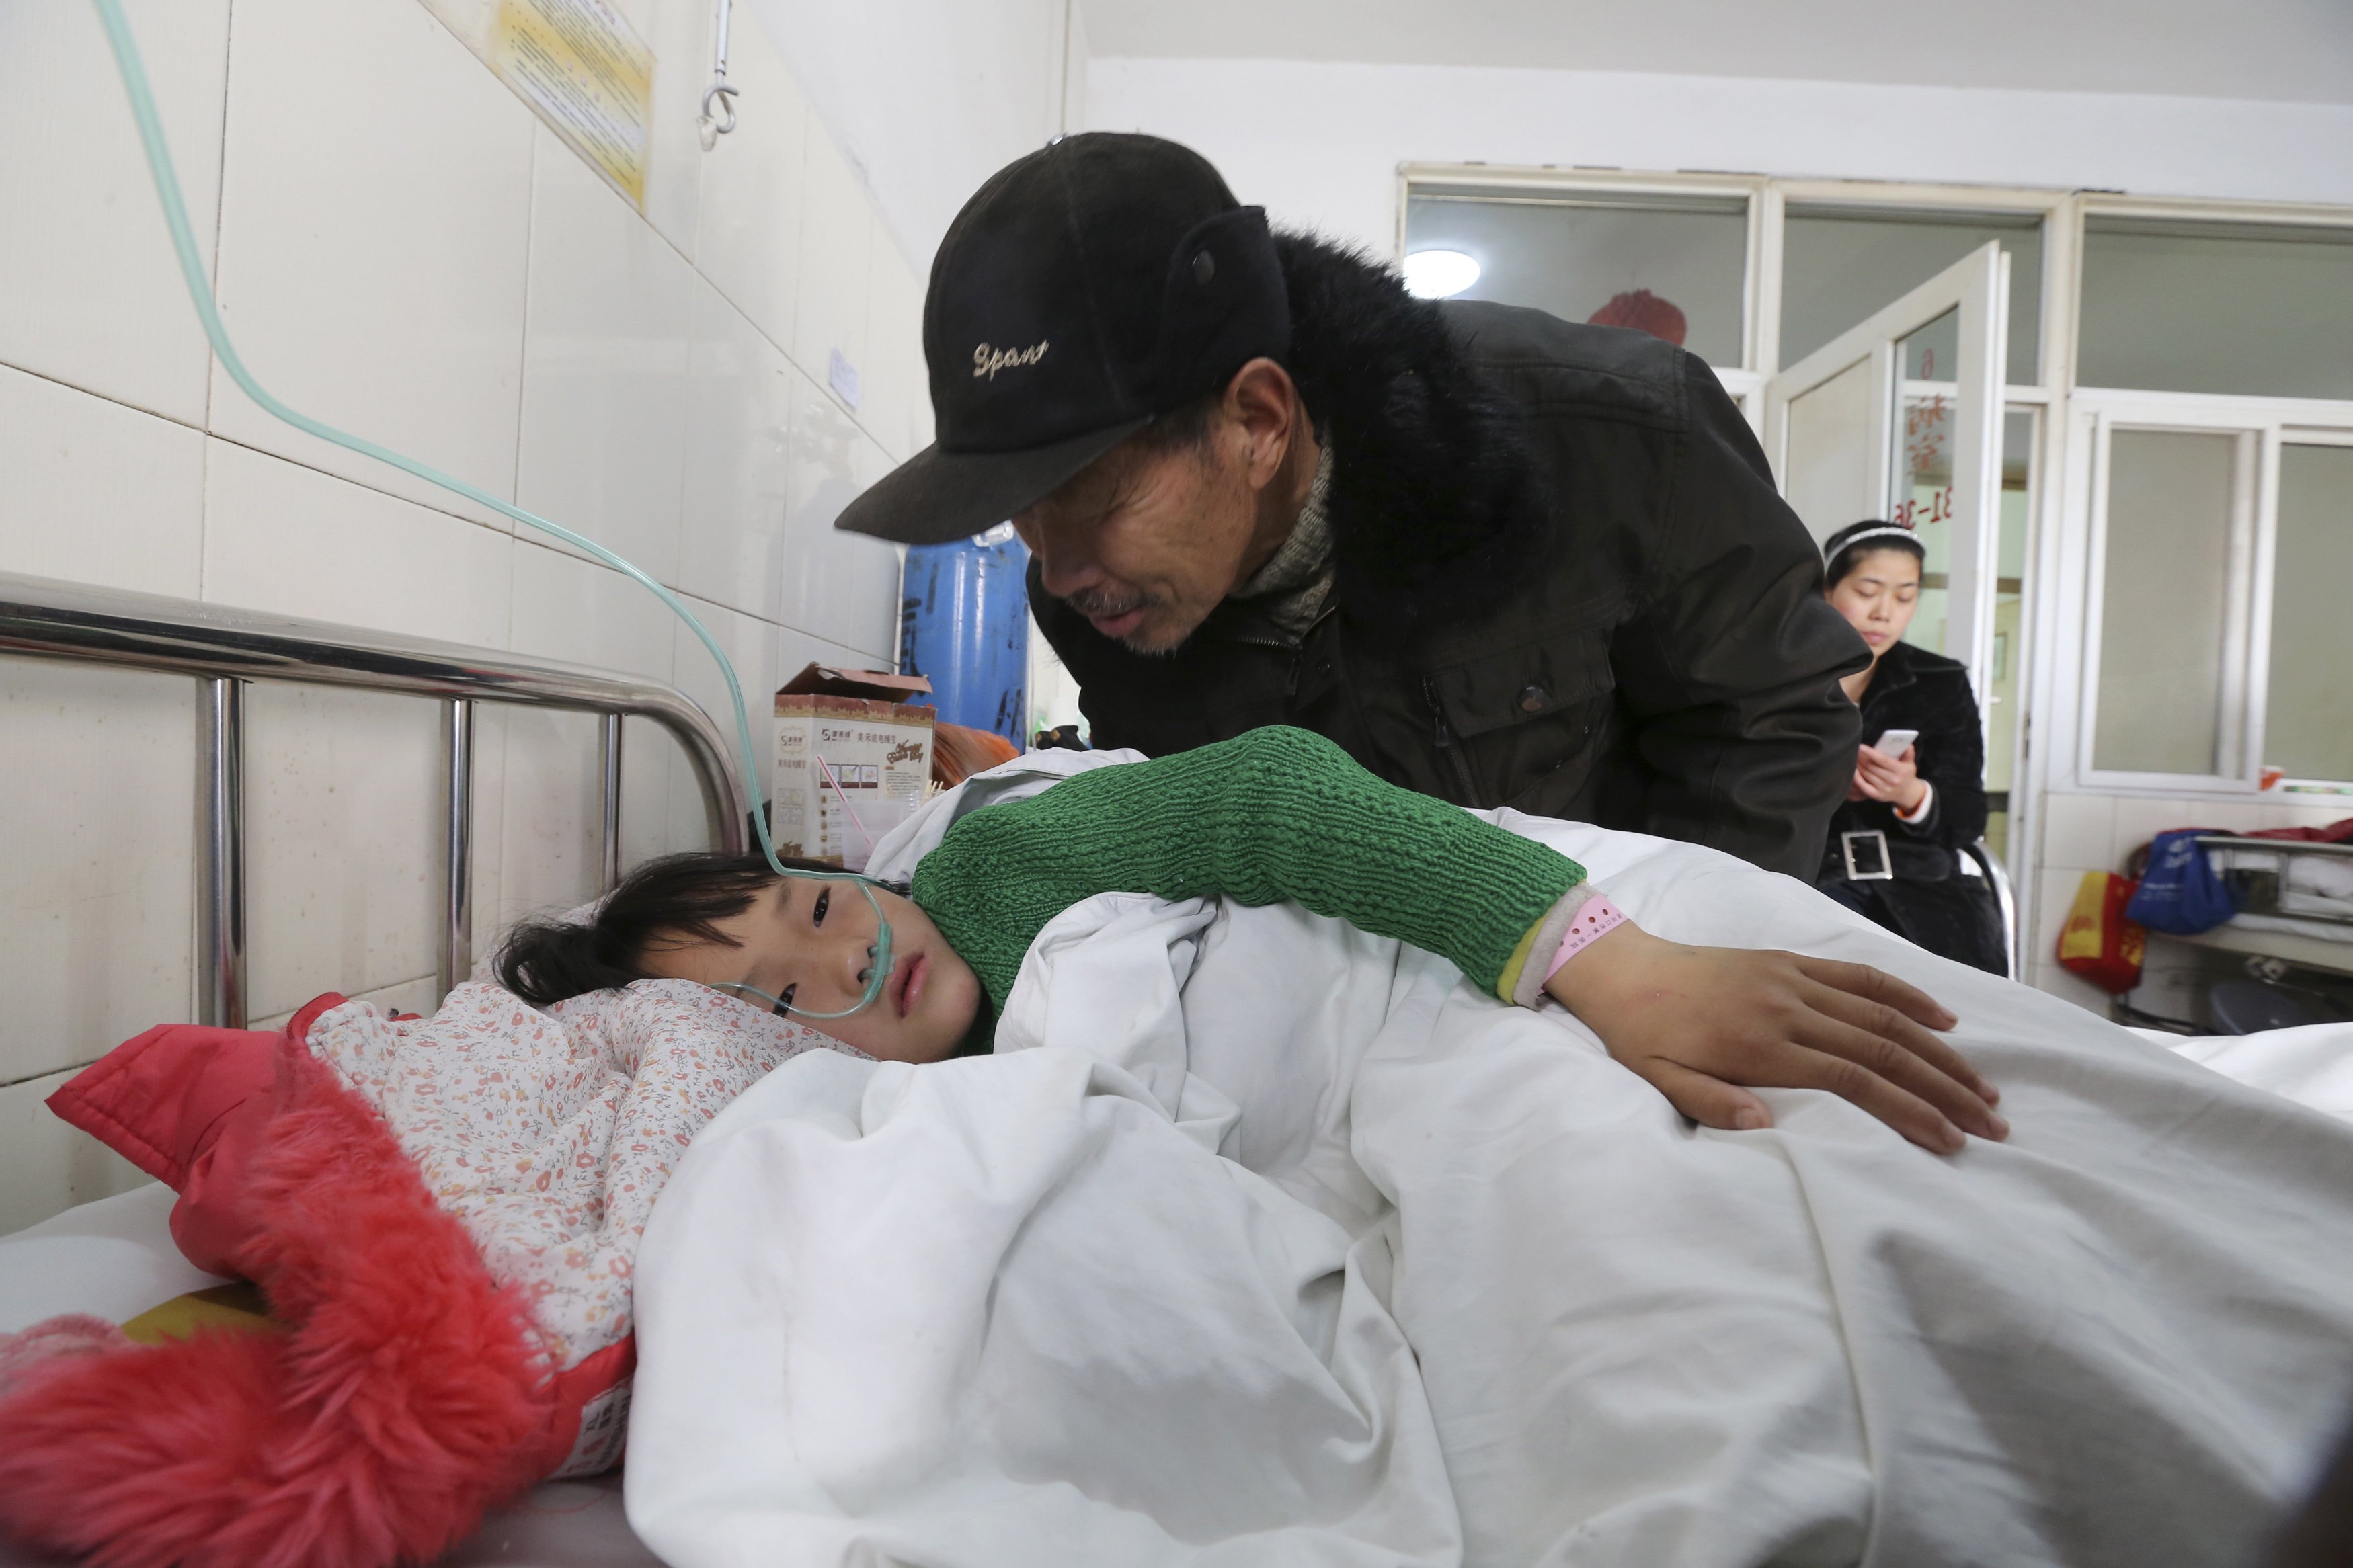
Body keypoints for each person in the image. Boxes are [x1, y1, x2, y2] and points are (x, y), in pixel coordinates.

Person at [835, 133, 1868, 880]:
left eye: (1096, 502)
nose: (1056, 574)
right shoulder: (1097, 598)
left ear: (1258, 420)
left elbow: (1769, 727)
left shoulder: (1624, 435)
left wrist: (1669, 964)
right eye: (1021, 514)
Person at [500, 727, 2006, 1155]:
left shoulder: (1003, 862)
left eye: (823, 911)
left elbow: (1270, 792)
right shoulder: (904, 1116)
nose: (844, 966)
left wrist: (1605, 958)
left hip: (1522, 940)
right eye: (784, 998)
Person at [1812, 519, 2007, 975]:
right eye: (1867, 591)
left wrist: (1912, 795)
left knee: (1965, 1008)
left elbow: (1968, 814)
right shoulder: (1777, 676)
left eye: (1905, 597)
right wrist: (1828, 785)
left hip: (1923, 888)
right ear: (1827, 589)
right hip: (1808, 878)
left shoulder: (1940, 683)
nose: (1885, 612)